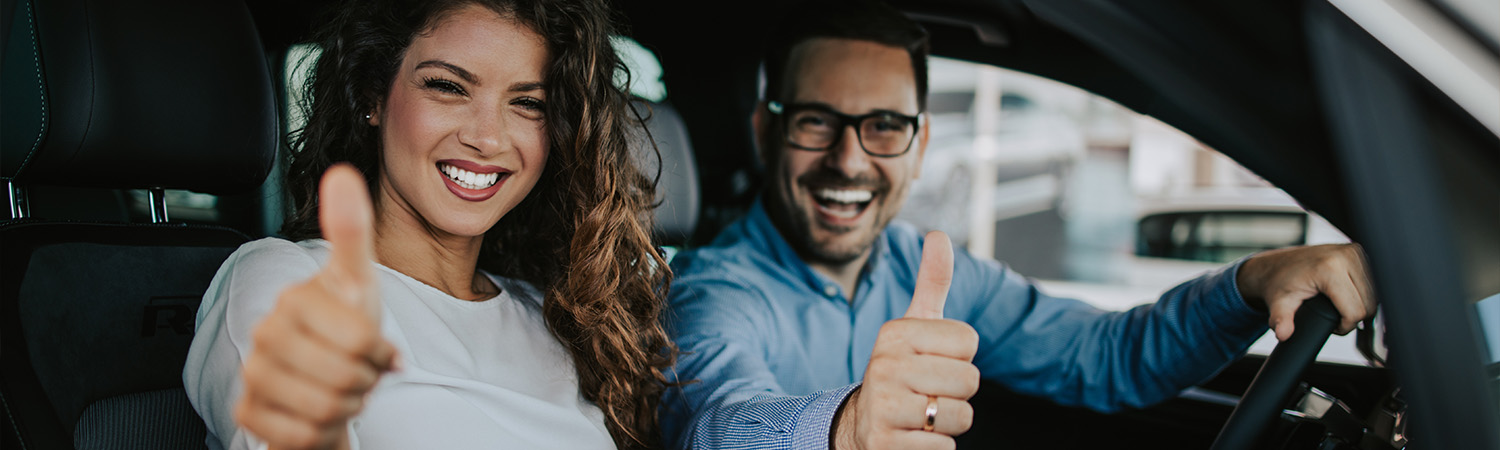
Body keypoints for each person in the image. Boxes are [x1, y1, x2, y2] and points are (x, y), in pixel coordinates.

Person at [659, 1, 1376, 449]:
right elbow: (714, 425)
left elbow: (1107, 357)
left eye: (883, 126)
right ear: (765, 131)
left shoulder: (930, 269)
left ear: (920, 144)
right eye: (816, 122)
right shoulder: (710, 293)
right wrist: (845, 430)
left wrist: (1252, 284)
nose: (848, 160)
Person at [182, 0, 674, 449]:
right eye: (447, 87)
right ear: (374, 95)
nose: (487, 138)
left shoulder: (554, 316)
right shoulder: (285, 284)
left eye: (528, 103)